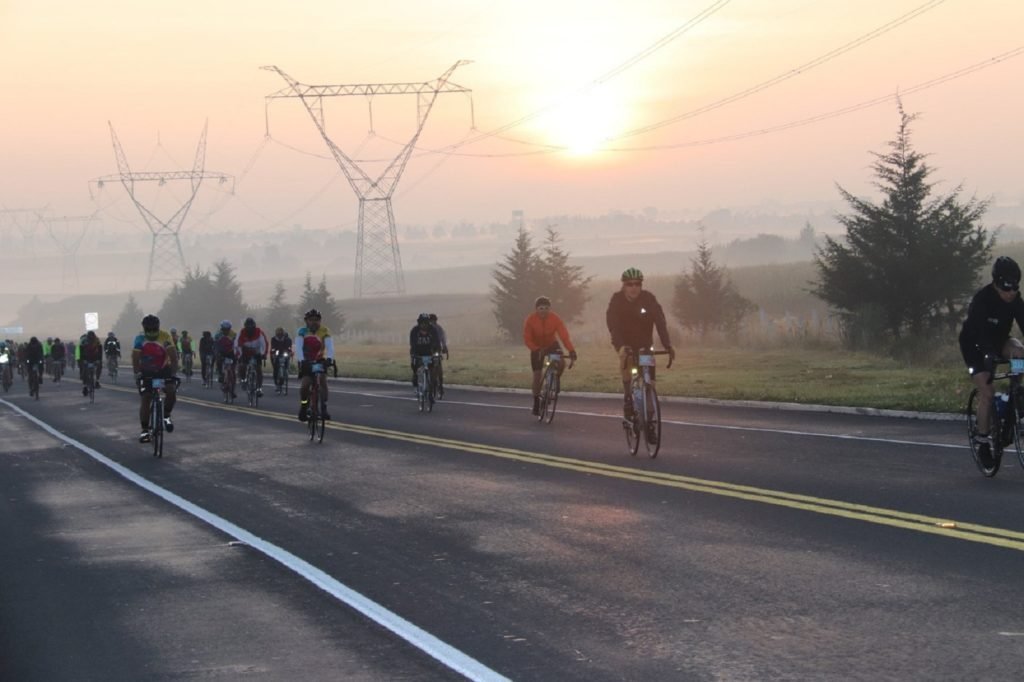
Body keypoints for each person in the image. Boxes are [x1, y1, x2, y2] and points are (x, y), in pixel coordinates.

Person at [958, 256, 1024, 469]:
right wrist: (987, 355)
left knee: (1019, 351)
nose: (1011, 292)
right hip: (974, 346)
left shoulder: (1015, 299)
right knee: (987, 391)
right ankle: (983, 441)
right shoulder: (982, 300)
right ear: (996, 283)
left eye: (1015, 287)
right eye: (1007, 287)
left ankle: (1013, 392)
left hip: (998, 341)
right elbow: (979, 333)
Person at [606, 267, 675, 423]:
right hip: (624, 341)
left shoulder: (648, 298)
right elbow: (612, 324)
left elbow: (660, 322)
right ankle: (627, 398)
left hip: (644, 343)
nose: (634, 287)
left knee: (651, 381)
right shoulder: (617, 300)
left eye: (637, 284)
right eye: (630, 284)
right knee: (627, 360)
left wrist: (668, 345)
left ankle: (650, 419)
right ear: (624, 285)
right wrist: (620, 346)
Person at [523, 296, 578, 416]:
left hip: (551, 345)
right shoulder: (530, 320)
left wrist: (572, 350)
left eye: (546, 308)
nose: (543, 311)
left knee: (561, 362)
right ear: (536, 309)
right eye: (541, 308)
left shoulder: (555, 318)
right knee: (537, 375)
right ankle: (537, 402)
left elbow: (564, 337)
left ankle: (556, 378)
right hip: (536, 347)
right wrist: (536, 349)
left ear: (550, 309)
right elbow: (527, 339)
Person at [132, 314, 178, 443]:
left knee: (171, 390)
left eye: (154, 329)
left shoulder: (165, 337)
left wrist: (173, 374)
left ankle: (166, 415)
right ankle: (145, 430)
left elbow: (173, 357)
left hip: (163, 370)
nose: (152, 332)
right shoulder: (139, 338)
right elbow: (135, 358)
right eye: (149, 330)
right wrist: (137, 374)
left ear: (158, 328)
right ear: (145, 329)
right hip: (146, 371)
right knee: (146, 398)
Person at [296, 309, 334, 421]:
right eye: (311, 320)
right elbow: (298, 348)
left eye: (316, 320)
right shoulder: (302, 331)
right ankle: (304, 406)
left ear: (320, 321)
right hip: (306, 360)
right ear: (306, 321)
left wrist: (330, 359)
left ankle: (324, 407)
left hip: (319, 360)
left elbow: (330, 347)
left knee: (322, 381)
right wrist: (302, 360)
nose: (314, 322)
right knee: (305, 386)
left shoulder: (325, 331)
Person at [409, 313, 442, 393]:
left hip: (430, 352)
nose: (424, 325)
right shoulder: (414, 331)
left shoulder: (433, 330)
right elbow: (412, 344)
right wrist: (414, 354)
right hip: (418, 352)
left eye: (426, 322)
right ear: (419, 323)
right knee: (415, 365)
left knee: (436, 366)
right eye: (422, 322)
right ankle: (416, 380)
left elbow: (437, 342)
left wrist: (437, 353)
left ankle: (434, 382)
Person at [235, 317, 268, 396]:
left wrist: (264, 354)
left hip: (256, 352)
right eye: (248, 327)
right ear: (245, 327)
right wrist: (239, 354)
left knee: (259, 370)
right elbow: (236, 344)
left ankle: (259, 389)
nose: (250, 329)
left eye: (251, 327)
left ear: (254, 326)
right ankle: (243, 379)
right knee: (242, 366)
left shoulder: (259, 332)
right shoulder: (242, 332)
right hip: (245, 352)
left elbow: (265, 344)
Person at [213, 320, 237, 397]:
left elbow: (237, 344)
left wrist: (237, 354)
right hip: (221, 352)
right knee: (218, 359)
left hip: (231, 352)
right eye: (224, 329)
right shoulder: (217, 334)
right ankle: (220, 373)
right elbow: (215, 346)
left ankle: (232, 390)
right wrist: (217, 354)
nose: (226, 331)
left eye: (228, 329)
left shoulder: (234, 334)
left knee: (233, 372)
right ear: (222, 329)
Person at [428, 313, 449, 398]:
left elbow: (443, 338)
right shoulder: (427, 329)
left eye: (434, 321)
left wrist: (444, 347)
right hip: (428, 350)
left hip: (437, 349)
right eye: (431, 321)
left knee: (439, 368)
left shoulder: (439, 328)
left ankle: (440, 386)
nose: (432, 322)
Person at [78, 330, 104, 395]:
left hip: (95, 357)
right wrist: (82, 360)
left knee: (99, 367)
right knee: (84, 371)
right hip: (86, 358)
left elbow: (100, 350)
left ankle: (97, 381)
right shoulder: (84, 341)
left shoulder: (97, 340)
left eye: (92, 337)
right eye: (90, 337)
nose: (91, 339)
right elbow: (81, 351)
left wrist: (100, 359)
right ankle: (85, 386)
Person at [270, 326, 293, 393]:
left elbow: (289, 347)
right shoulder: (273, 339)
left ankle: (286, 371)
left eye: (281, 335)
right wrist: (274, 353)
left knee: (286, 364)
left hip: (284, 353)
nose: (279, 336)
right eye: (278, 335)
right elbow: (273, 347)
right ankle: (276, 384)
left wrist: (289, 352)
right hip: (276, 354)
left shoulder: (288, 339)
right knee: (275, 369)